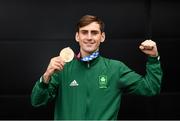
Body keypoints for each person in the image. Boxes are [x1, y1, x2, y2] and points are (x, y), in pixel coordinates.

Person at [31, 15, 163, 120]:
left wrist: (153, 59)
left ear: (102, 37)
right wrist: (47, 75)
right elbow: (37, 101)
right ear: (77, 36)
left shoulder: (115, 68)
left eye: (94, 32)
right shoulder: (62, 68)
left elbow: (151, 88)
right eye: (84, 32)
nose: (89, 37)